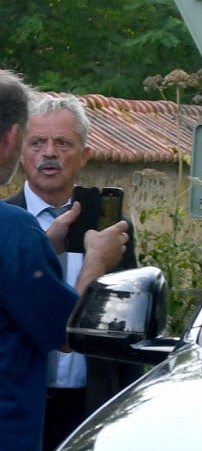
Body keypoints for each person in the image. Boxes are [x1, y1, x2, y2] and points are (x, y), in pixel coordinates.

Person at [3, 93, 142, 450]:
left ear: (84, 155)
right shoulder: (11, 226)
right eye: (37, 142)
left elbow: (126, 326)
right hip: (19, 408)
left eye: (62, 143)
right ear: (19, 148)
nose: (48, 153)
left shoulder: (112, 229)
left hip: (90, 406)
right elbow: (59, 331)